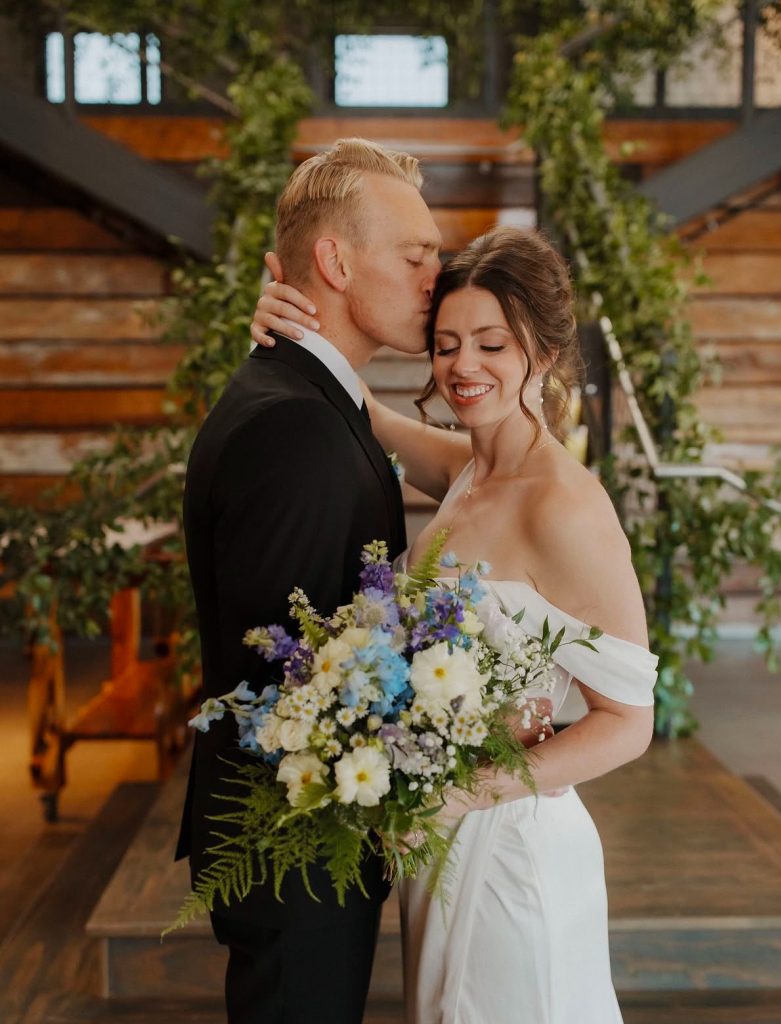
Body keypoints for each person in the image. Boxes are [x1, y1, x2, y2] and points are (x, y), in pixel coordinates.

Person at [251, 225, 658, 1023]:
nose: (462, 367)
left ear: (540, 352)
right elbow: (355, 406)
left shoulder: (563, 505)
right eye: (444, 345)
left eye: (489, 344)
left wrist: (464, 793)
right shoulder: (469, 466)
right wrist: (284, 323)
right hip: (442, 846)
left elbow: (629, 724)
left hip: (511, 849)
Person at [177, 137, 442, 1024]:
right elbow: (280, 680)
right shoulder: (290, 426)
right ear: (332, 260)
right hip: (293, 840)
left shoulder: (311, 401)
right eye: (415, 255)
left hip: (309, 835)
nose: (434, 276)